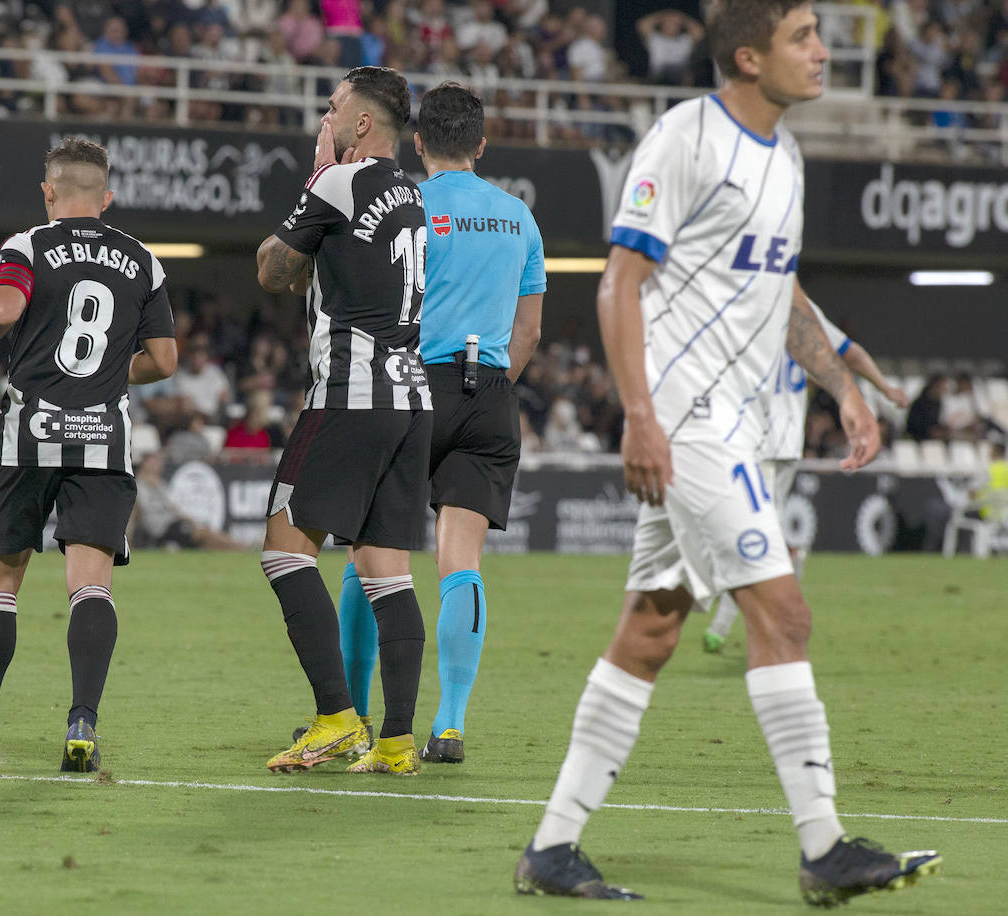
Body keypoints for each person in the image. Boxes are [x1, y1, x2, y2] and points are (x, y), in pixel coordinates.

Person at [513, 1, 941, 904]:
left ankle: (552, 848)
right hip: (686, 417)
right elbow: (619, 283)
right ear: (747, 57)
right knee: (783, 616)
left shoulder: (785, 159)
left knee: (653, 628)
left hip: (733, 421)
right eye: (804, 38)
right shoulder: (685, 139)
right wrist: (638, 415)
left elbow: (781, 297)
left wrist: (843, 387)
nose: (825, 52)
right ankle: (823, 848)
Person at [0, 138, 177, 773]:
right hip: (104, 436)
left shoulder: (28, 245)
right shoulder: (143, 260)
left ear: (48, 192)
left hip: (29, 433)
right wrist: (110, 376)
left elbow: (4, 310)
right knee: (91, 583)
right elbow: (166, 360)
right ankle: (82, 721)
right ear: (108, 198)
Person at [324, 82, 545, 766]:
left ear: (417, 143)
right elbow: (528, 329)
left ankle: (354, 716)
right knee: (462, 564)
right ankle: (448, 724)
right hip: (492, 391)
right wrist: (494, 384)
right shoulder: (520, 218)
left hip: (413, 386)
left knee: (372, 557)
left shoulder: (410, 204)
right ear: (481, 144)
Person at [255, 66, 432, 776]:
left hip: (349, 395)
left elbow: (272, 272)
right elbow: (322, 269)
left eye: (332, 110)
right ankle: (394, 741)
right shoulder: (410, 197)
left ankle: (334, 717)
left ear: (362, 124)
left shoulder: (337, 182)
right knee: (388, 573)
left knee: (284, 548)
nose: (323, 119)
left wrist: (317, 173)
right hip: (410, 398)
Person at [703, 300, 908, 652]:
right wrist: (885, 387)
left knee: (745, 534)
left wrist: (885, 390)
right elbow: (851, 353)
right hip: (773, 442)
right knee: (746, 532)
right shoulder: (800, 310)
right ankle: (758, 606)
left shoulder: (748, 299)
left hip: (761, 441)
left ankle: (755, 623)